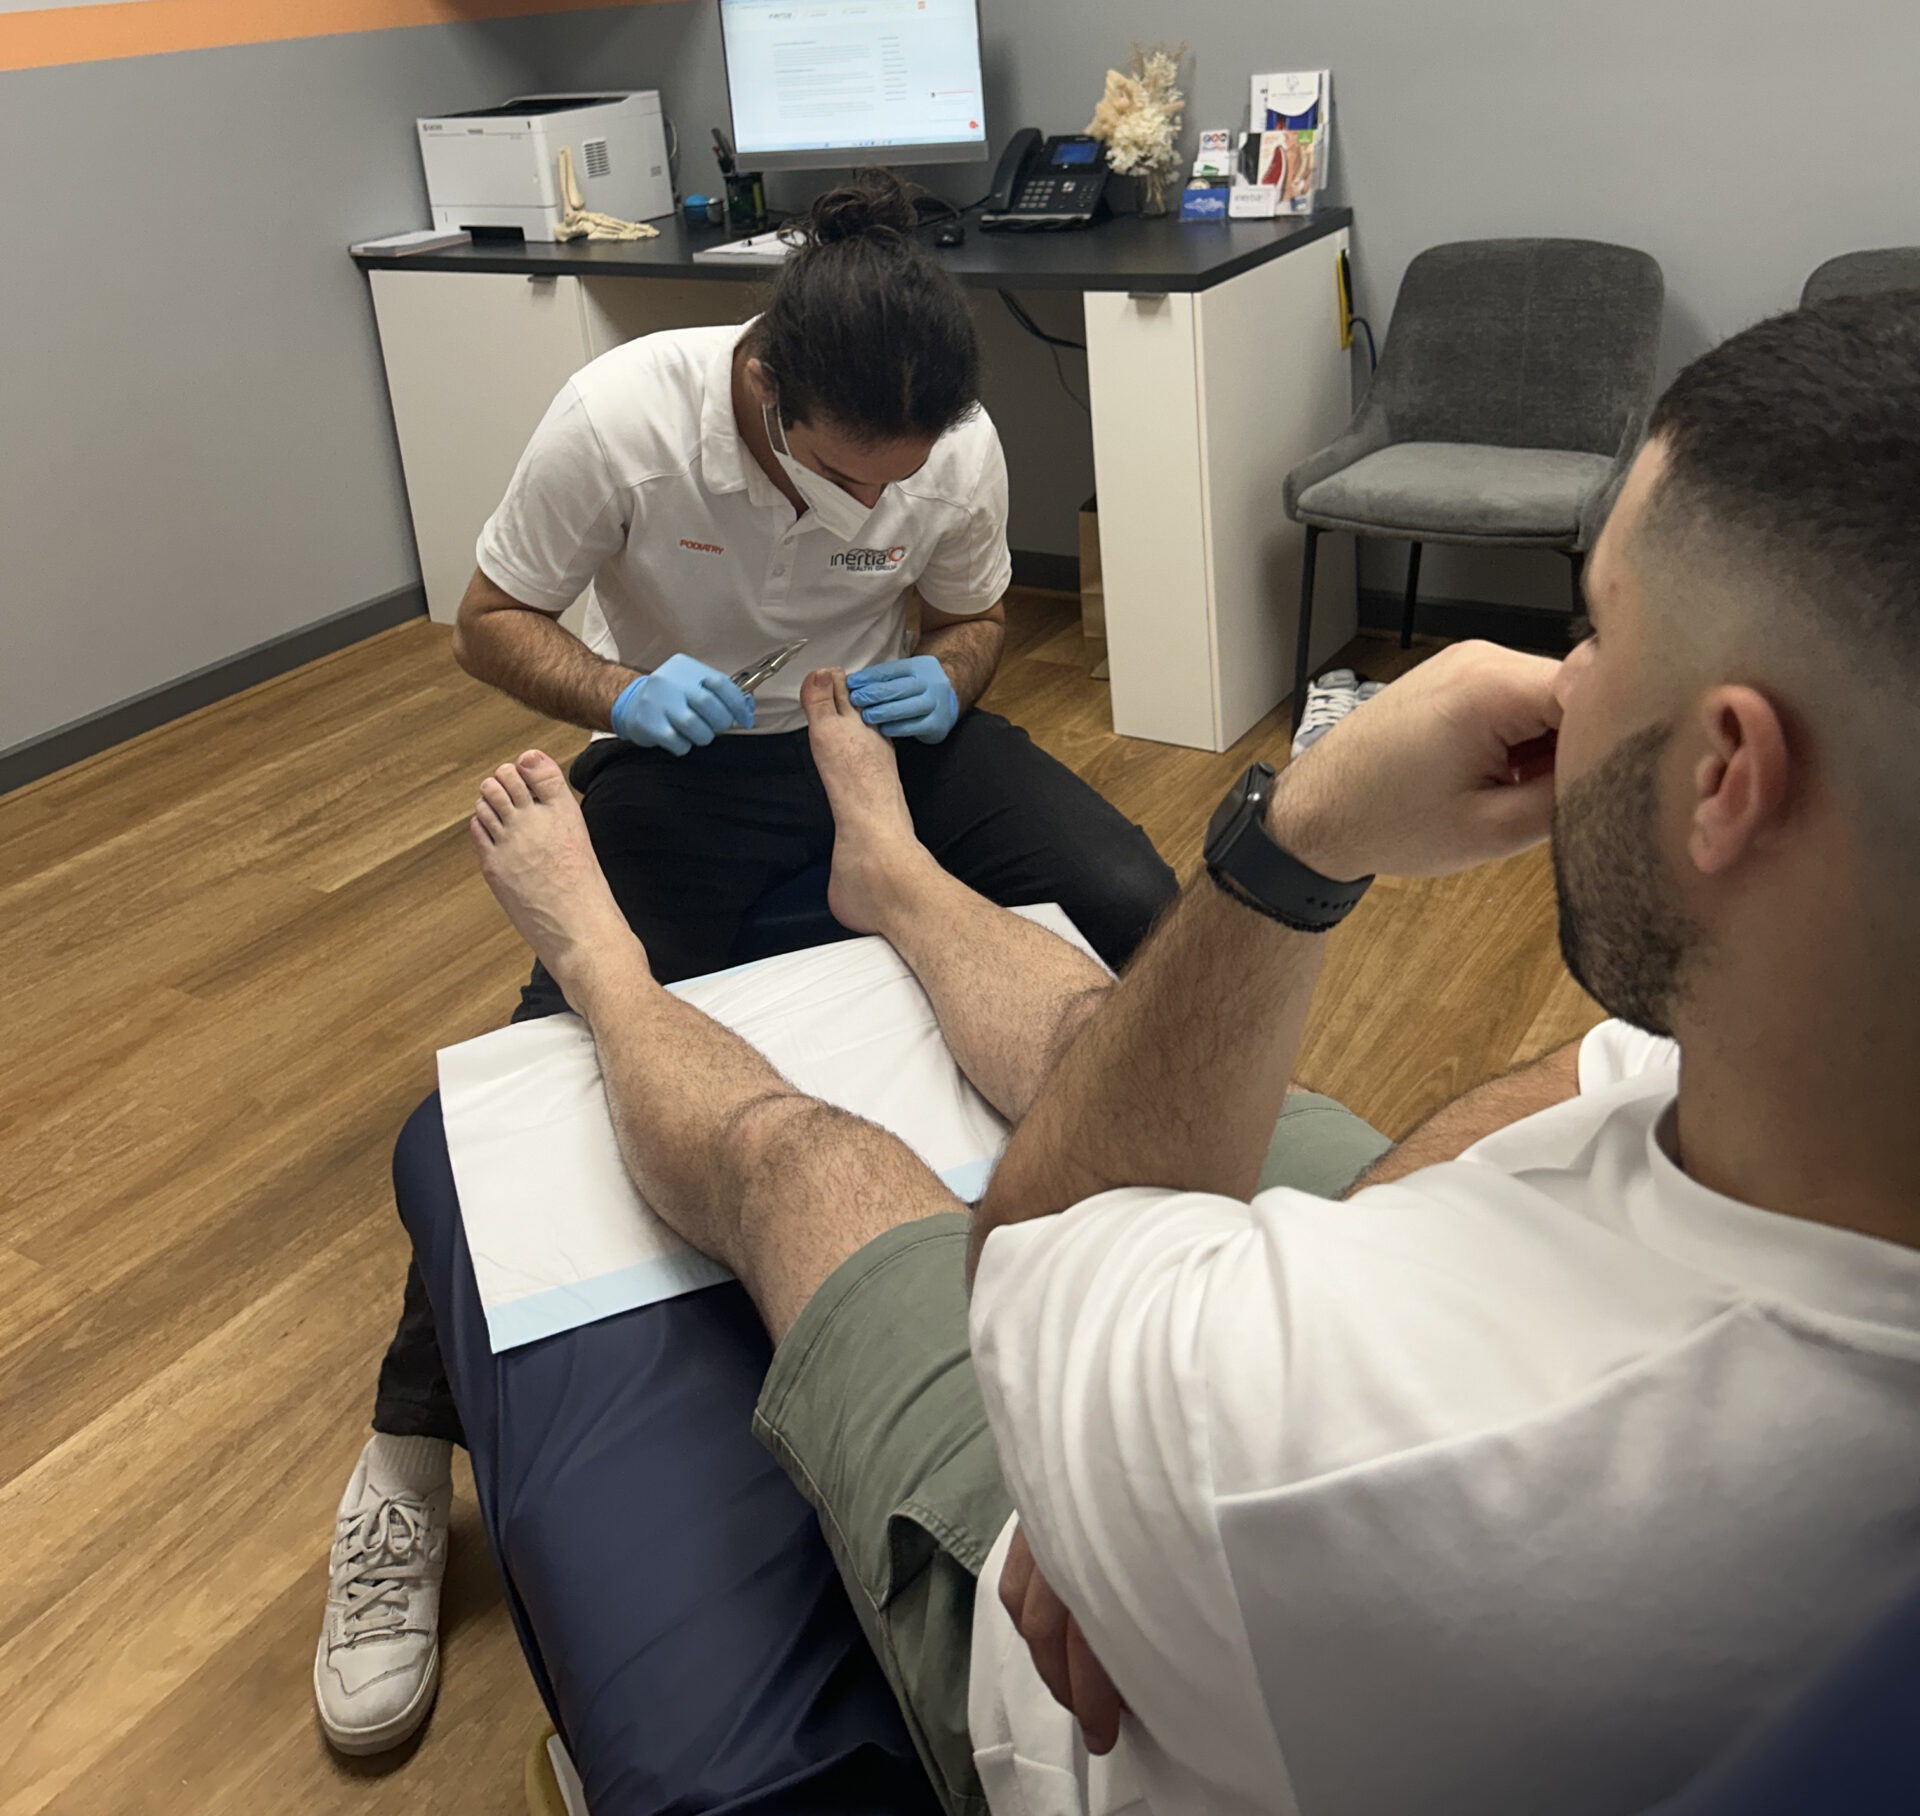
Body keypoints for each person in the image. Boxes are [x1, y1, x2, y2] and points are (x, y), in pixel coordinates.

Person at [442, 291, 1916, 1813]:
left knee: (809, 1158)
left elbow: (1037, 1274)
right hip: (1252, 1406)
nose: (1547, 669)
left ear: (1727, 773)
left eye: (1590, 629)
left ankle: (602, 968)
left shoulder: (1344, 1454)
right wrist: (623, 693)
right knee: (1109, 1041)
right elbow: (1601, 1076)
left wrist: (1306, 832)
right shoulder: (1826, 1076)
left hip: (1111, 1578)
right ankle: (891, 874)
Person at [313, 169, 1177, 1756]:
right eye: (844, 485)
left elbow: (973, 618)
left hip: (871, 736)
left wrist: (951, 682)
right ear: (767, 390)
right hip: (687, 751)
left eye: (898, 488)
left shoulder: (951, 440)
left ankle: (1148, 1273)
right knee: (538, 1071)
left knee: (1134, 895)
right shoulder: (619, 417)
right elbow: (488, 619)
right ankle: (396, 1469)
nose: (873, 516)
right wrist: (617, 695)